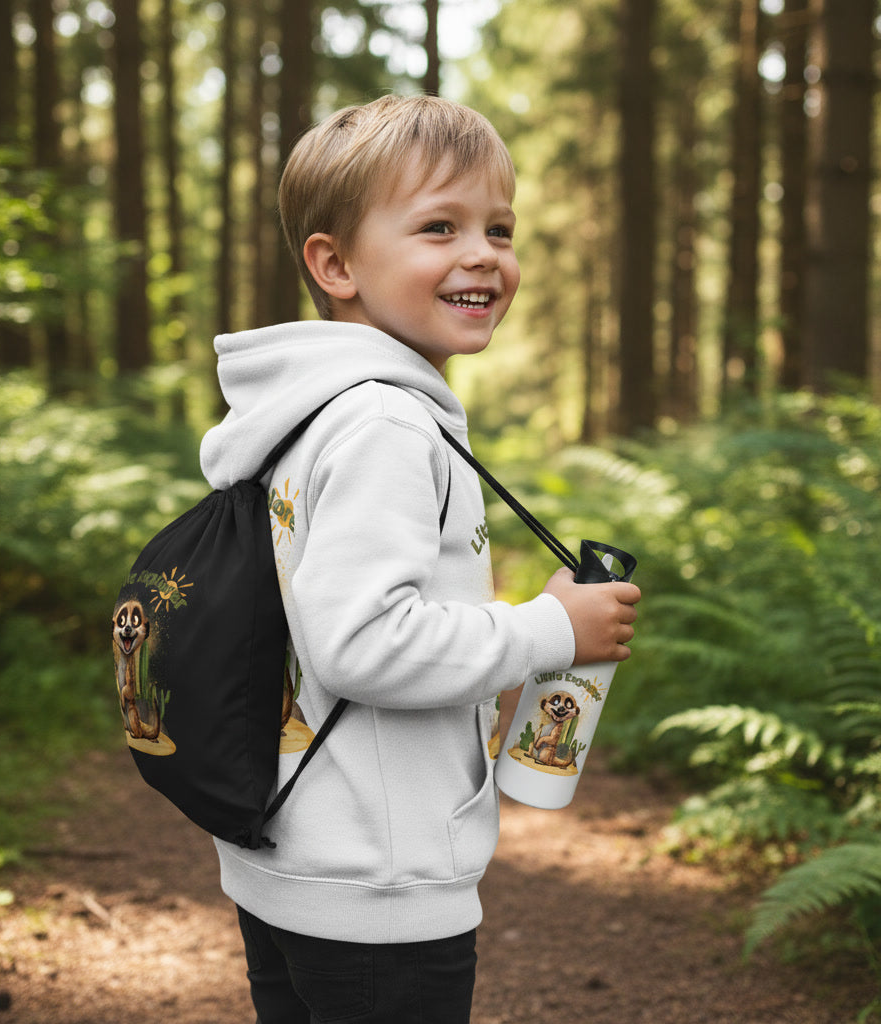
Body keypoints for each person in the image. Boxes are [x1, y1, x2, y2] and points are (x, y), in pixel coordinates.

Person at [198, 94, 641, 1024]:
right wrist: (550, 627)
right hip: (377, 887)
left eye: (499, 228)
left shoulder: (312, 412)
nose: (483, 253)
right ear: (337, 264)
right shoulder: (384, 423)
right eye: (439, 227)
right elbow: (361, 644)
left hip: (298, 848)